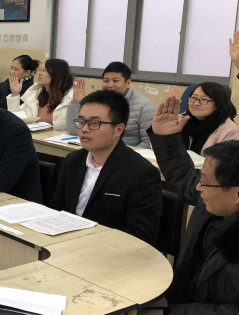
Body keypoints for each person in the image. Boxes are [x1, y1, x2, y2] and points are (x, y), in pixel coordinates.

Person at [135, 95, 239, 315]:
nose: (198, 188)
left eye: (206, 182)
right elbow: (184, 178)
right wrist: (166, 138)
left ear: (238, 193)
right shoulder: (216, 203)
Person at [48, 90, 162, 245]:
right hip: (66, 242)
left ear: (119, 129)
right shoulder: (74, 160)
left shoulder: (141, 173)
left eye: (94, 123)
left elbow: (140, 235)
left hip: (108, 250)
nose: (84, 129)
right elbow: (57, 208)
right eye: (81, 121)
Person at [65, 62, 155, 149]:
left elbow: (148, 142)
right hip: (97, 151)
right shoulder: (98, 102)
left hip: (127, 155)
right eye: (106, 81)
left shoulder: (145, 106)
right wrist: (76, 103)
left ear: (128, 83)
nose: (110, 85)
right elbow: (73, 131)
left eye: (115, 81)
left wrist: (125, 156)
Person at [7, 58, 73, 130]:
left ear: (56, 74)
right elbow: (16, 119)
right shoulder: (35, 95)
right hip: (34, 137)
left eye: (44, 70)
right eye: (40, 70)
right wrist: (15, 94)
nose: (39, 73)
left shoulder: (71, 98)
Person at [179, 82, 239, 156]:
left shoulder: (228, 130)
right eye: (194, 98)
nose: (196, 103)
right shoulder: (180, 120)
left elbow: (225, 162)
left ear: (218, 104)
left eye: (204, 99)